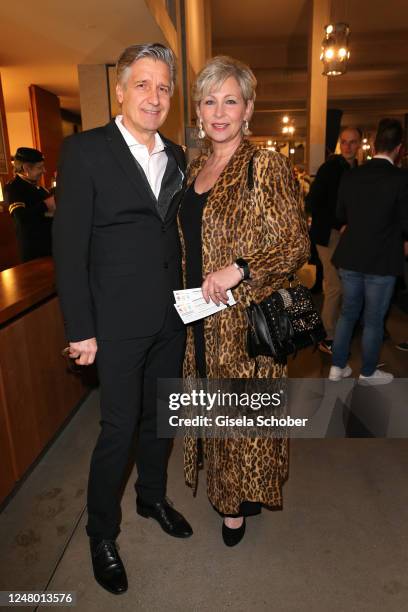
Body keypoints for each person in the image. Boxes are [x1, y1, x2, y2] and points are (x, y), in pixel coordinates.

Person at [53, 43, 192, 595]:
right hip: (114, 322)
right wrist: (79, 329)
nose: (153, 96)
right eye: (142, 84)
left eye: (162, 87)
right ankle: (100, 533)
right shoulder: (86, 151)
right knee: (118, 430)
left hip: (170, 317)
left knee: (161, 418)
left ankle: (152, 495)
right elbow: (69, 249)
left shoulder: (178, 156)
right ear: (119, 89)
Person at [178, 56, 310, 546]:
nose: (219, 111)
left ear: (249, 109)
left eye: (230, 100)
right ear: (197, 109)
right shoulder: (196, 167)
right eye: (209, 100)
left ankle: (234, 505)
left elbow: (295, 243)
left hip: (243, 320)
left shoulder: (265, 163)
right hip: (198, 316)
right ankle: (234, 488)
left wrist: (241, 269)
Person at [329, 119, 408, 384]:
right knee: (373, 319)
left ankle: (337, 367)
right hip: (382, 260)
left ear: (373, 145)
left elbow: (340, 214)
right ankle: (368, 372)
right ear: (399, 148)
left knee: (348, 313)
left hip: (350, 256)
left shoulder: (352, 174)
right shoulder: (401, 179)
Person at [308, 127, 362, 353]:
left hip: (346, 235)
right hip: (328, 235)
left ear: (360, 143)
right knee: (334, 285)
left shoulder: (356, 168)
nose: (348, 146)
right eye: (344, 142)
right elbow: (312, 202)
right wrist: (338, 223)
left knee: (342, 284)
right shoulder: (331, 167)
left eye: (352, 142)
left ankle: (336, 331)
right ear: (340, 143)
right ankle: (326, 336)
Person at [4, 147, 55, 262]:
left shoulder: (39, 188)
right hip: (34, 251)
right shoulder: (14, 187)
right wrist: (46, 204)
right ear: (26, 168)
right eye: (39, 167)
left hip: (49, 246)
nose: (44, 171)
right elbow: (20, 217)